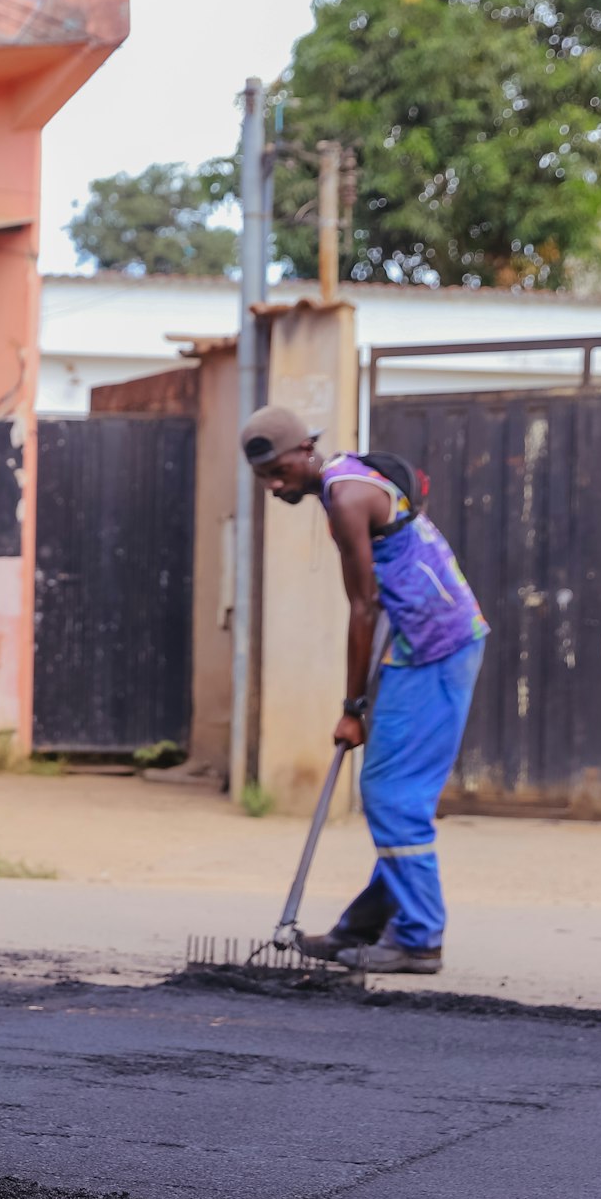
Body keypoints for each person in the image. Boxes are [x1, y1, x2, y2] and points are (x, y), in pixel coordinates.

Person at [242, 404, 490, 974]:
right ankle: (363, 927)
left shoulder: (344, 498)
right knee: (398, 795)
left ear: (307, 449)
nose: (275, 485)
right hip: (423, 639)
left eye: (280, 470)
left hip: (435, 644)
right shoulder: (347, 478)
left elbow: (364, 605)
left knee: (392, 797)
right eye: (264, 478)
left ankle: (419, 939)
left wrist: (351, 709)